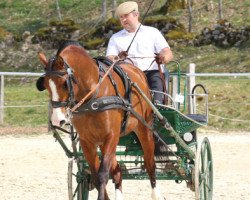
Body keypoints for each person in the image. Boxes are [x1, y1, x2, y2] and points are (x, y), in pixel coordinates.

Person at [106, 1, 173, 104]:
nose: (123, 20)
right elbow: (110, 58)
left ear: (136, 14)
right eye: (121, 17)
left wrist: (163, 57)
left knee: (157, 87)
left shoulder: (152, 32)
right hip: (127, 76)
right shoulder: (115, 38)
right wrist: (118, 58)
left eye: (126, 16)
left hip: (151, 73)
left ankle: (158, 108)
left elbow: (167, 52)